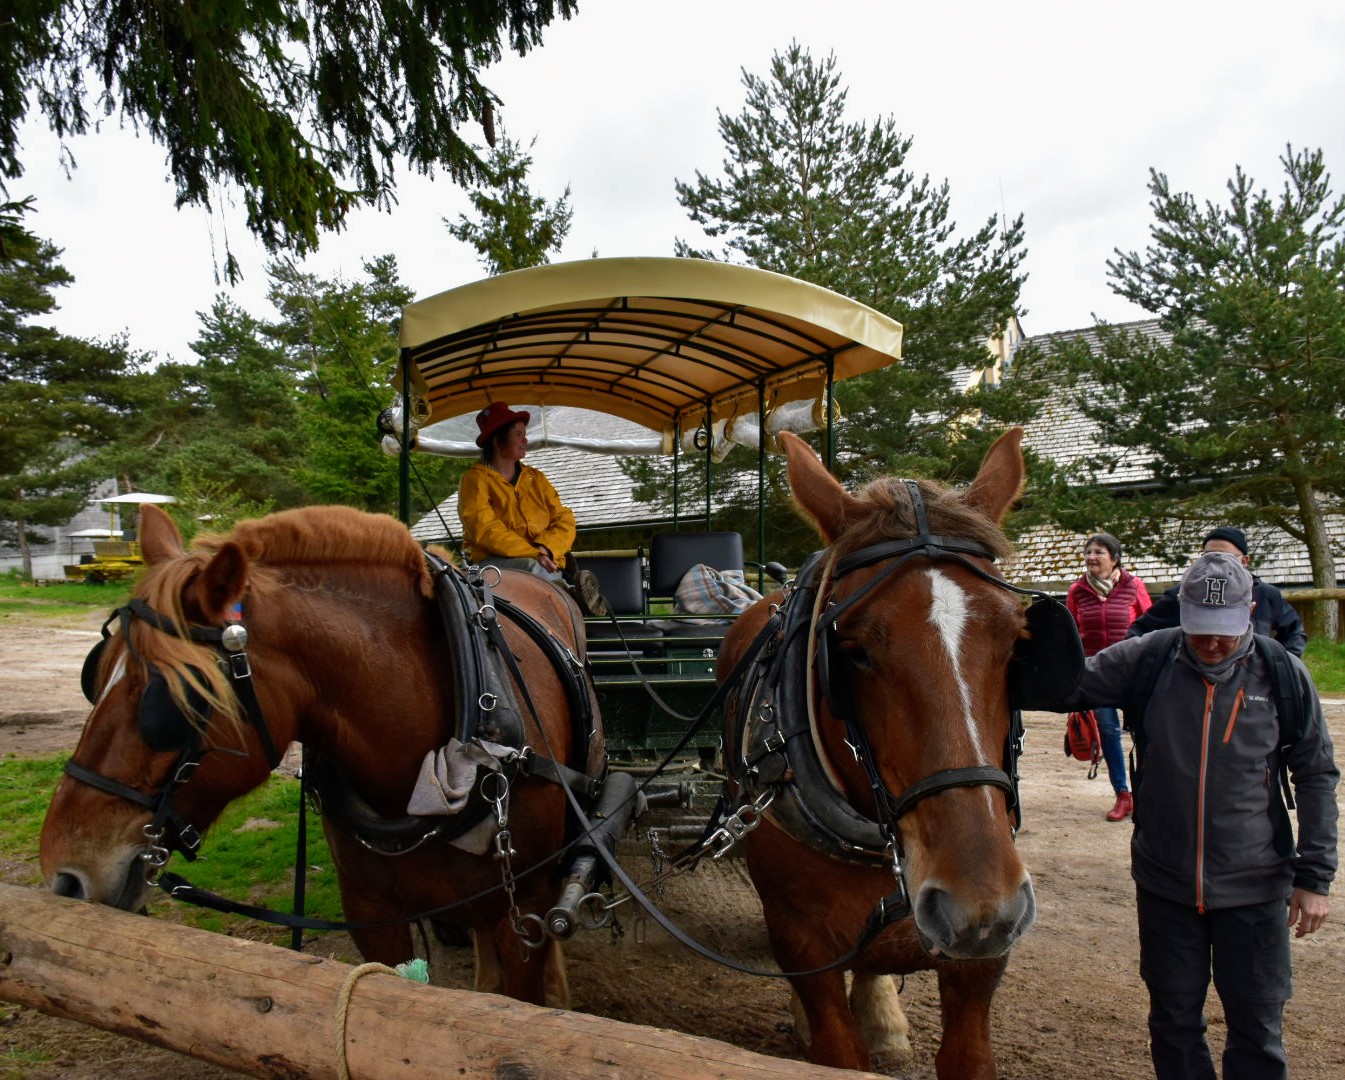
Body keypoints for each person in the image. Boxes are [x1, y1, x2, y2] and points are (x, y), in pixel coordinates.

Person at [1056, 551, 1337, 1080]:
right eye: (1199, 629)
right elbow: (1061, 685)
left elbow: (1317, 774)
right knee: (1173, 1021)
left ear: (1250, 610)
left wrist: (1315, 876)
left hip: (1255, 889)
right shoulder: (1149, 658)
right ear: (1180, 610)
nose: (1210, 643)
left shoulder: (1282, 673)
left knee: (1257, 1027)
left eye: (1225, 631)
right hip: (1166, 886)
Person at [457, 402, 608, 616]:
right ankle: (571, 597)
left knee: (535, 566)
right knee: (530, 567)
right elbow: (486, 530)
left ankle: (569, 595)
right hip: (491, 562)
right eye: (518, 434)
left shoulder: (535, 478)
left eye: (524, 434)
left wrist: (546, 548)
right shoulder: (474, 480)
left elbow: (564, 518)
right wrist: (534, 553)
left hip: (544, 560)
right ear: (498, 441)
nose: (525, 440)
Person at [1065, 532, 1153, 821]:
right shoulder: (1077, 590)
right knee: (1109, 732)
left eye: (1099, 551)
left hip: (1133, 669)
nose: (1091, 556)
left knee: (1145, 731)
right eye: (1088, 551)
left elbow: (1150, 624)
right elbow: (1071, 632)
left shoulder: (1134, 586)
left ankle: (1147, 792)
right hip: (1097, 671)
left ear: (1114, 558)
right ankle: (1123, 795)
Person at [1128, 526, 1307, 656]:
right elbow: (1138, 632)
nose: (1216, 564)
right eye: (1208, 557)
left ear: (1244, 560)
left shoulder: (1266, 595)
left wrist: (1279, 665)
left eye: (1225, 557)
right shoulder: (1185, 593)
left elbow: (1294, 634)